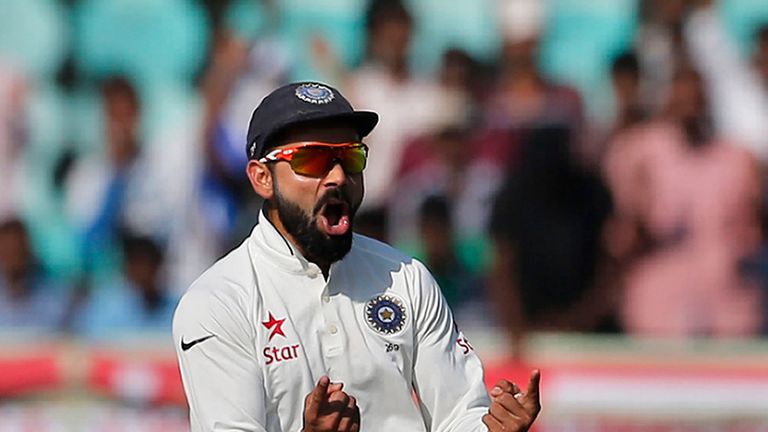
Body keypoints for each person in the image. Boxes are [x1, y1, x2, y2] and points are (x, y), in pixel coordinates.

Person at [173, 82, 541, 431]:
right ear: (261, 178)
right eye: (312, 160)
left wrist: (492, 426)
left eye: (349, 157)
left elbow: (458, 414)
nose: (337, 176)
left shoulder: (406, 277)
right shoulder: (219, 302)